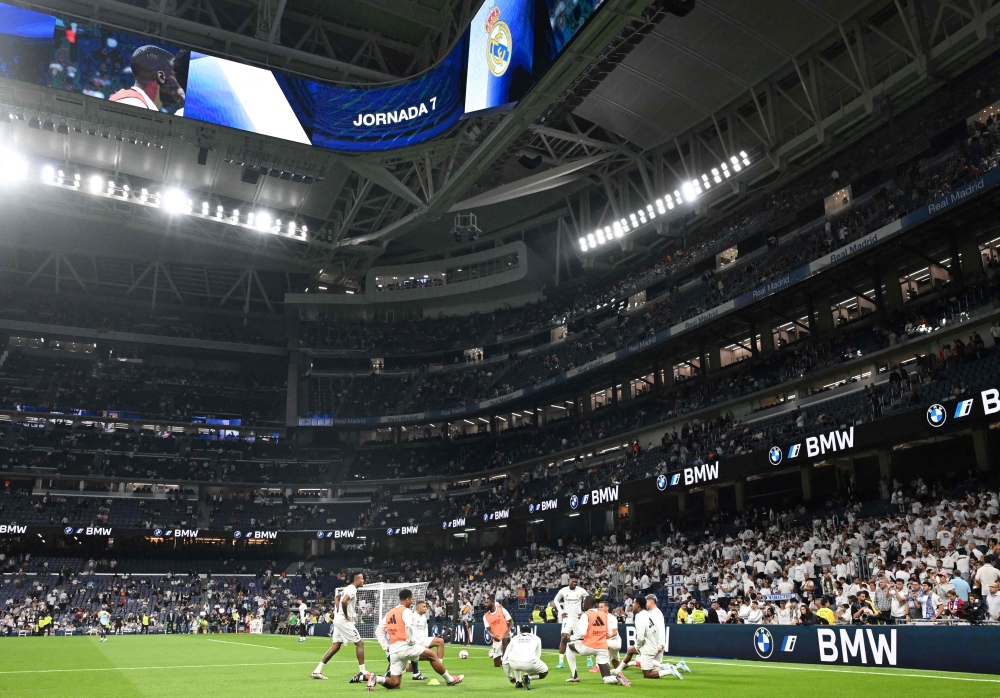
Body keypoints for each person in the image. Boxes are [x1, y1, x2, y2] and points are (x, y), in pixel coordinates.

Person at [368, 589, 463, 690]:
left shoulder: (390, 613)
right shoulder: (406, 611)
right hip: (405, 646)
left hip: (394, 650)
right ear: (408, 599)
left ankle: (376, 678)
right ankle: (450, 680)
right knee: (432, 655)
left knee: (395, 683)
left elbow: (379, 631)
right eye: (412, 599)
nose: (412, 601)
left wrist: (385, 646)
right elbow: (408, 626)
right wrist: (410, 640)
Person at [615, 597, 687, 680]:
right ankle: (618, 670)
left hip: (647, 647)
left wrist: (638, 647)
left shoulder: (640, 618)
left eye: (634, 604)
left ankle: (670, 669)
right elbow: (655, 629)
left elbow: (641, 637)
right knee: (631, 651)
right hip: (651, 644)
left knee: (647, 674)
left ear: (638, 605)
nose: (632, 606)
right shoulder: (647, 614)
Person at [314, 572, 368, 682]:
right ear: (356, 580)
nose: (363, 580)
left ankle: (317, 671)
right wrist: (345, 614)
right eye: (362, 579)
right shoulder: (352, 589)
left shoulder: (347, 588)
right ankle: (363, 671)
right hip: (343, 620)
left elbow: (336, 598)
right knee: (360, 643)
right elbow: (343, 600)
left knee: (336, 646)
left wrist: (338, 611)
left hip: (338, 619)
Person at [564, 595, 628, 685]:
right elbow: (609, 633)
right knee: (606, 678)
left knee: (569, 646)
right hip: (603, 648)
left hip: (588, 646)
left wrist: (570, 638)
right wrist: (599, 636)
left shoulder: (586, 615)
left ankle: (575, 676)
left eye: (584, 602)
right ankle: (617, 678)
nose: (583, 604)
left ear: (588, 603)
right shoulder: (604, 615)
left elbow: (582, 632)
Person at [108, 46, 186, 111]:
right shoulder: (133, 104)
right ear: (161, 77)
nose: (181, 82)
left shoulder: (133, 101)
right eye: (177, 76)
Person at [554, 574, 589, 669]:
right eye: (573, 581)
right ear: (569, 580)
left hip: (578, 619)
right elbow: (556, 600)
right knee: (564, 637)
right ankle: (561, 662)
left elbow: (589, 599)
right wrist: (561, 611)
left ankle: (589, 659)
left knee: (583, 638)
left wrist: (584, 611)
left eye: (576, 582)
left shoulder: (581, 590)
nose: (574, 583)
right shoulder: (563, 590)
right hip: (568, 618)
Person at [485, 595, 513, 668]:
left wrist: (507, 633)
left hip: (505, 636)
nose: (485, 604)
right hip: (496, 639)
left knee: (505, 639)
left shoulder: (502, 610)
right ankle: (503, 660)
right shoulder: (485, 616)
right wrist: (492, 635)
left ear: (492, 603)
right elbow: (488, 629)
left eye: (487, 602)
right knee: (497, 665)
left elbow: (511, 622)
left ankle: (506, 659)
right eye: (485, 603)